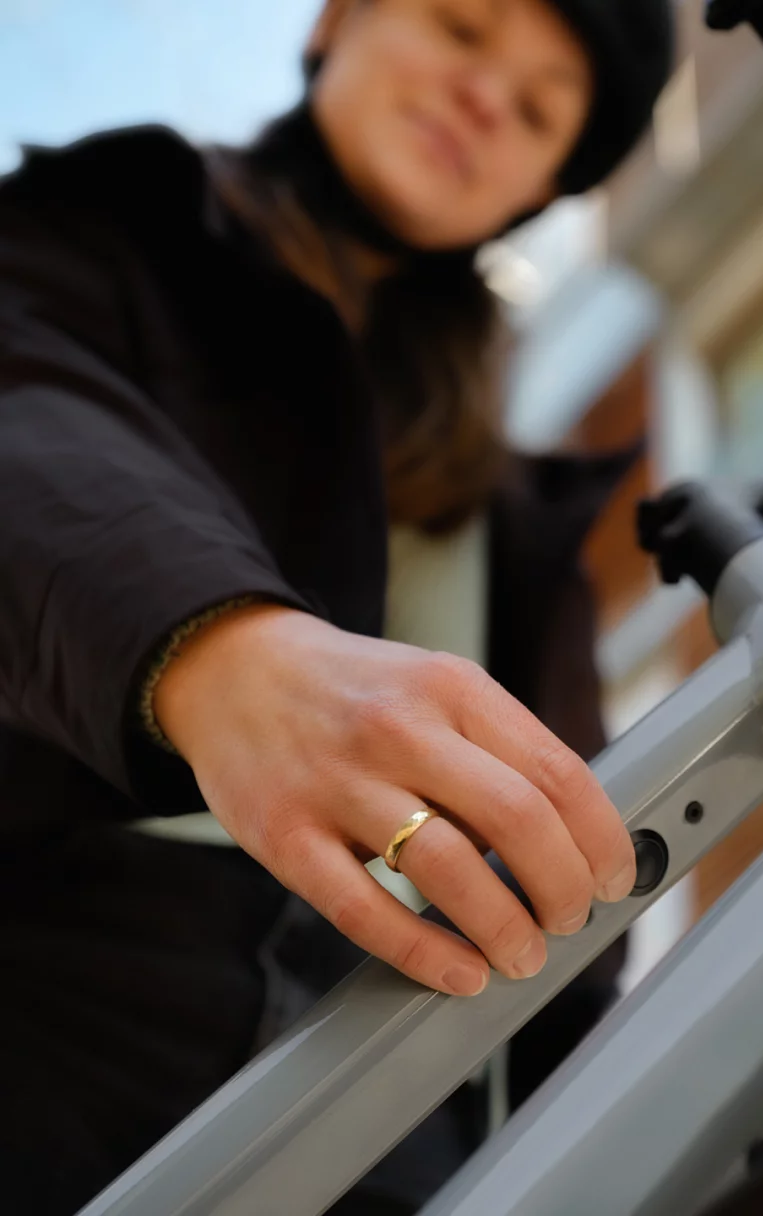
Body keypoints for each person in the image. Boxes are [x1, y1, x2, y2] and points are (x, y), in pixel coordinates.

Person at [0, 0, 673, 1211]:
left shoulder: (520, 513)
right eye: (465, 29)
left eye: (536, 111)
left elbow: (577, 928)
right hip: (59, 966)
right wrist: (213, 652)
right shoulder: (116, 222)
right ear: (336, 21)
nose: (485, 100)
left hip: (402, 1073)